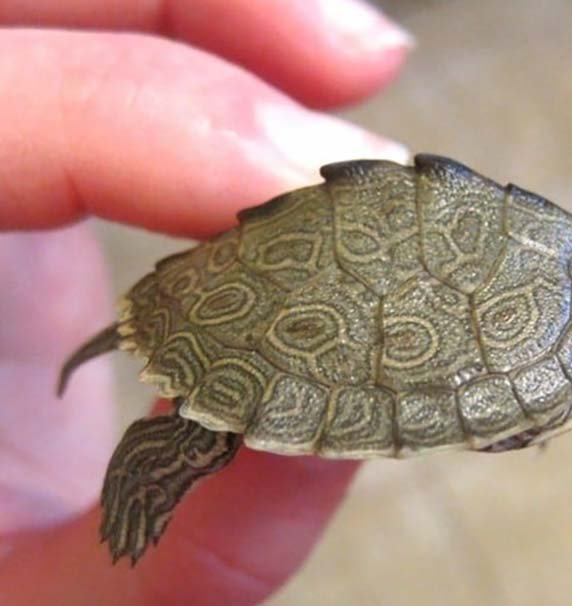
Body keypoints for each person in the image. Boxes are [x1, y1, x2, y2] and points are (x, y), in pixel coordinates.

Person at [0, 1, 412, 603]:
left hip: (269, 311)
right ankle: (137, 490)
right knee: (197, 428)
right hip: (267, 314)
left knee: (198, 433)